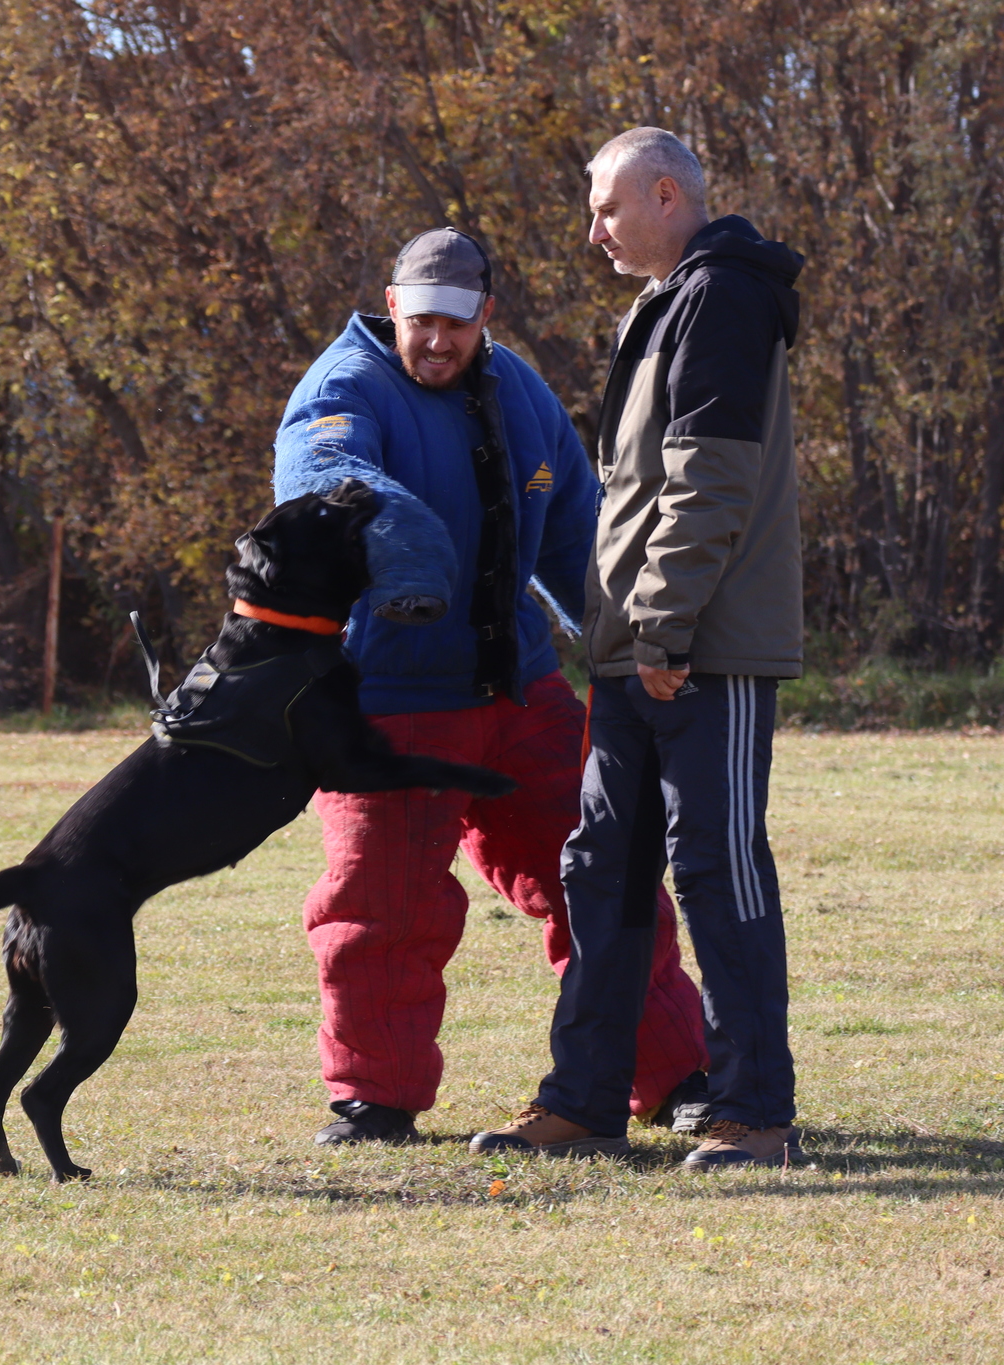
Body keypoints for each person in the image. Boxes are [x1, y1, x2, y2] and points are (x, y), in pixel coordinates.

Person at [273, 226, 709, 1147]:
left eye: (457, 324)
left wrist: (646, 629)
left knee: (605, 873)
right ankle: (374, 1100)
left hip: (517, 691)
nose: (437, 341)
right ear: (392, 304)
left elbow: (583, 531)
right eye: (422, 319)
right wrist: (411, 553)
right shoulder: (342, 389)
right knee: (382, 901)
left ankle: (678, 1072)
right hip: (386, 700)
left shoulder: (518, 389)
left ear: (486, 318)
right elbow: (327, 483)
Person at [470, 128, 806, 1166]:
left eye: (606, 209)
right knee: (600, 869)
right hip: (633, 650)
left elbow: (709, 480)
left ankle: (754, 1112)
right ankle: (582, 1102)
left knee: (714, 869)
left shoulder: (723, 295)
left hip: (699, 647)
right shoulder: (661, 305)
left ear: (666, 195)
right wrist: (620, 635)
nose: (593, 232)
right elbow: (633, 495)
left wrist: (659, 624)